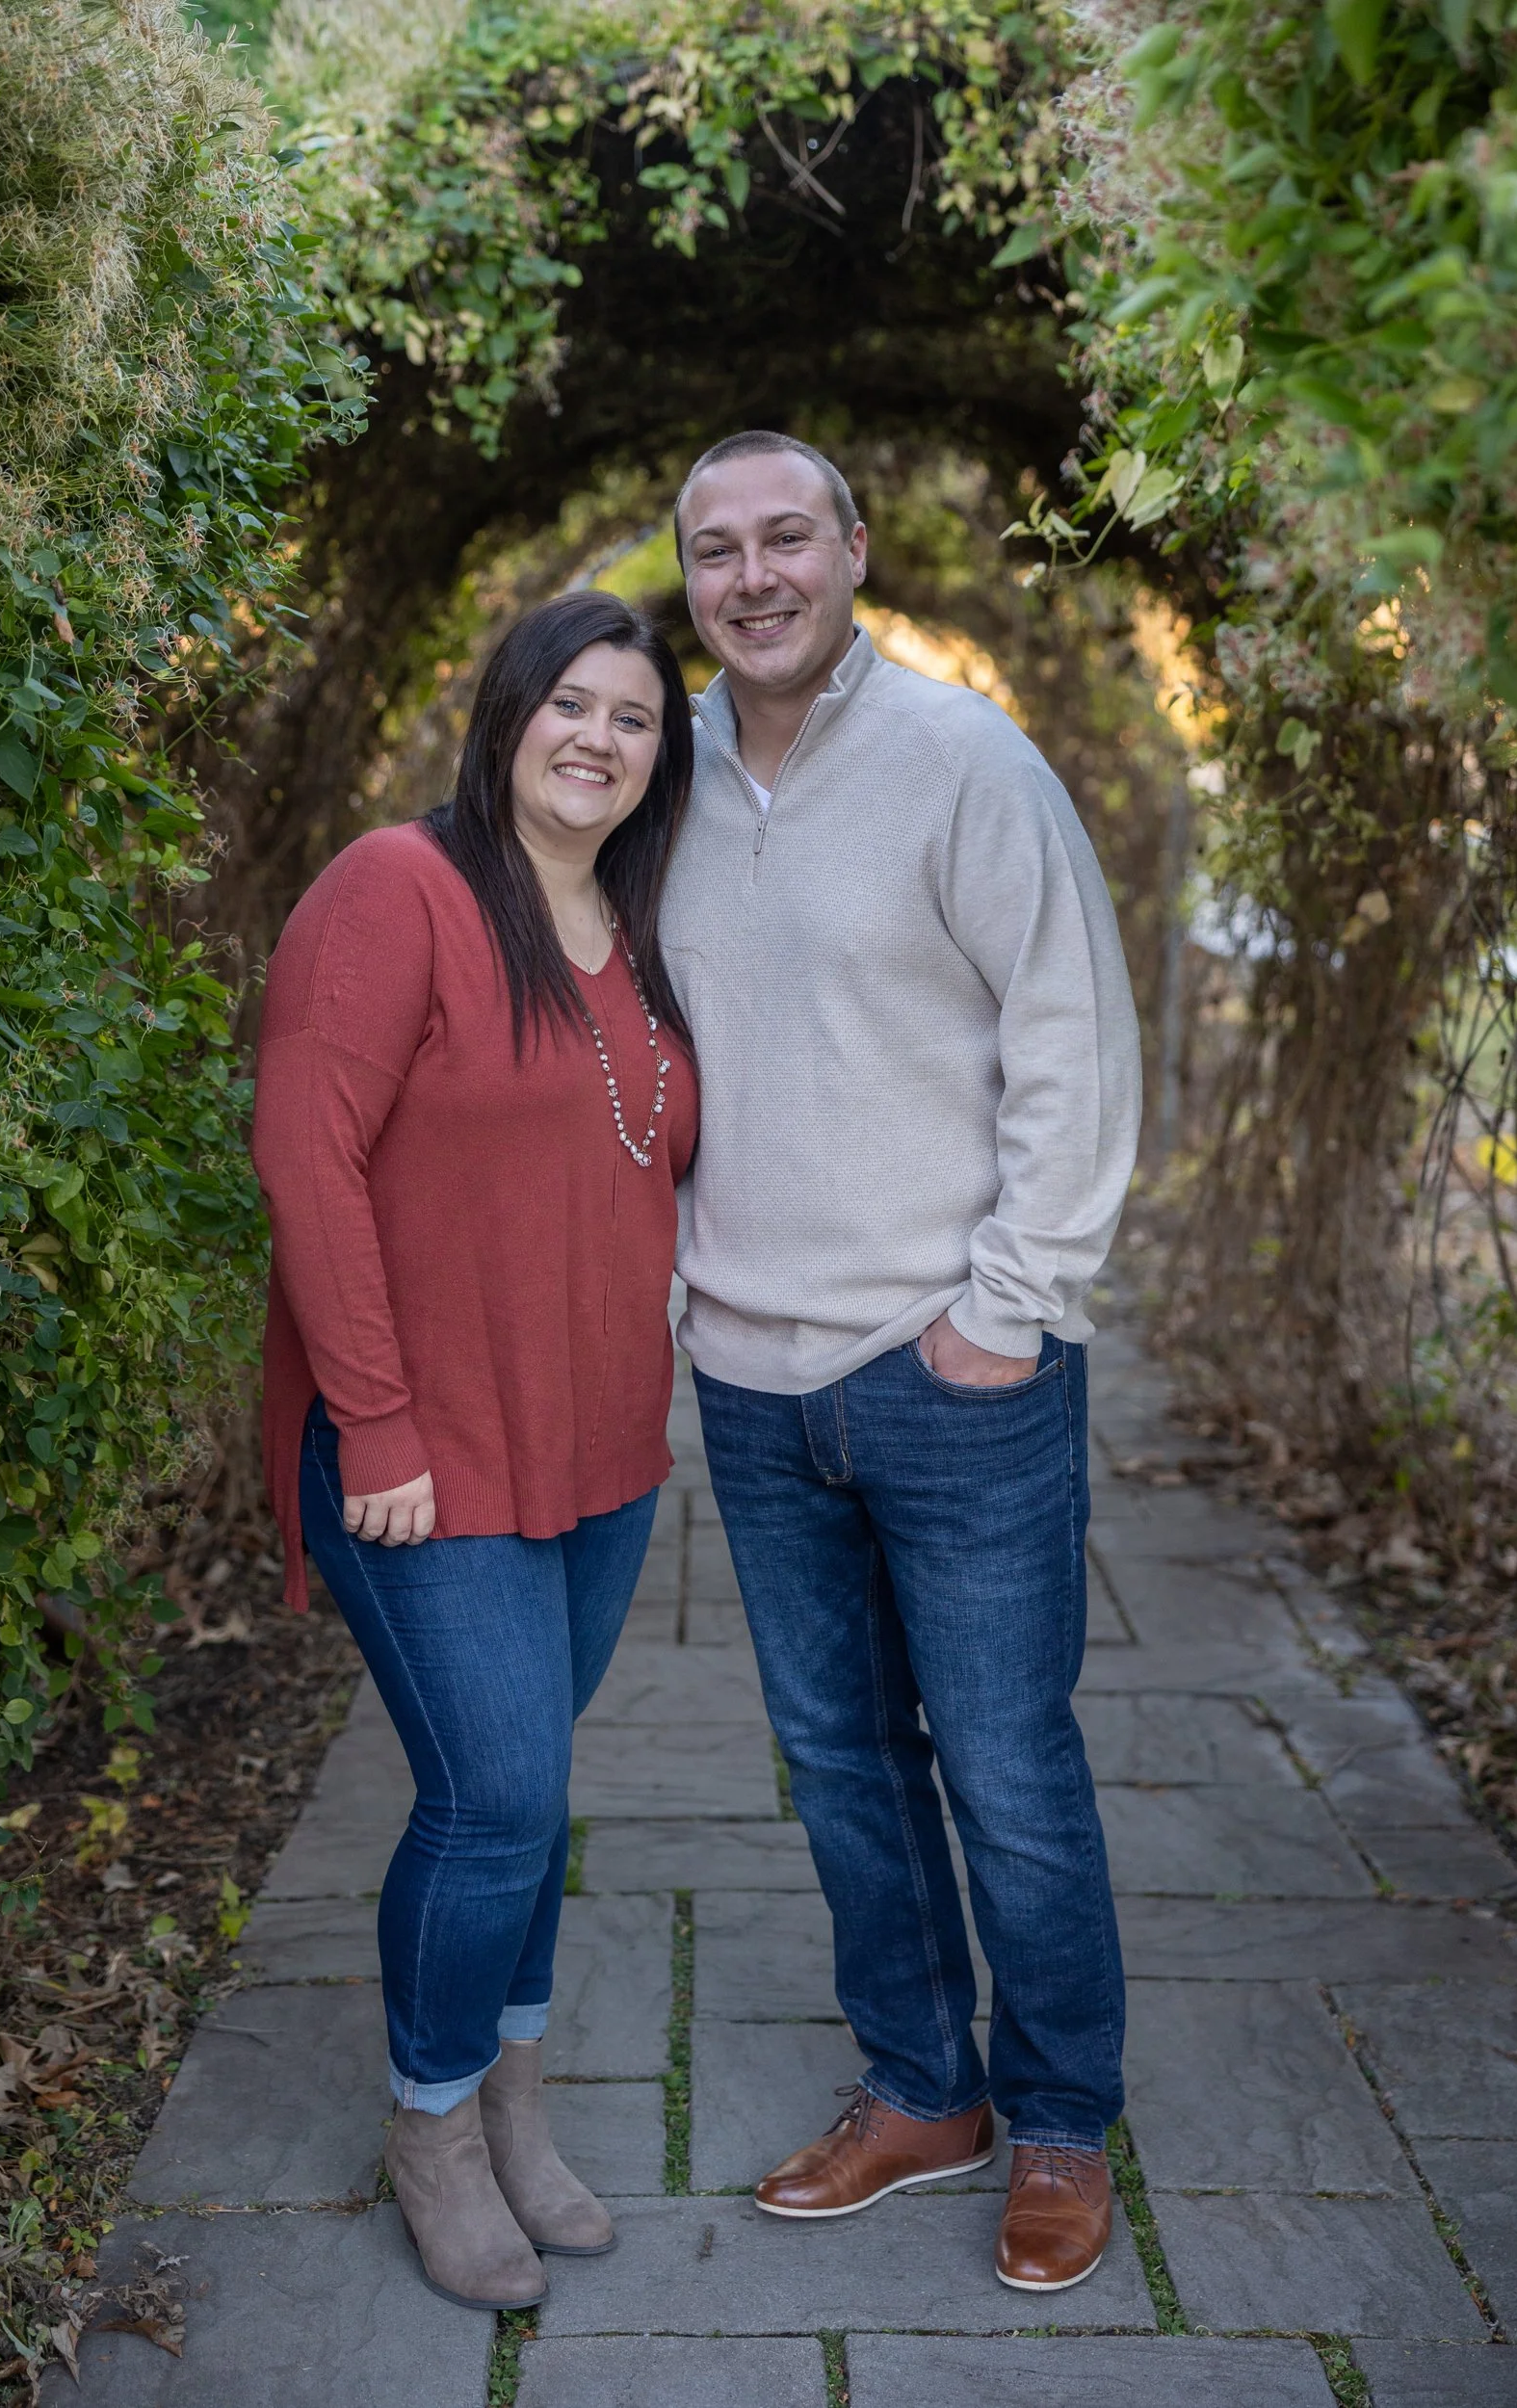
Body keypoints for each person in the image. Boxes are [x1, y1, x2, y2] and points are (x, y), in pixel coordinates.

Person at [661, 432, 1141, 2292]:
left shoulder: (964, 763)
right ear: (688, 578)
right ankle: (919, 2088)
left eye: (789, 536)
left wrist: (1003, 1307)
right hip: (752, 1376)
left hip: (956, 1371)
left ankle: (1057, 2122)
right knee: (839, 1762)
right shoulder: (661, 774)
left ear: (853, 549)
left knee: (1007, 1765)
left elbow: (1069, 1044)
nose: (754, 575)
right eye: (717, 550)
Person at [251, 590, 697, 2312]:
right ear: (505, 711)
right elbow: (306, 1156)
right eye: (567, 703)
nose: (596, 738)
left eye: (634, 717)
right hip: (418, 1453)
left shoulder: (641, 924)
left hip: (596, 1455)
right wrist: (373, 1415)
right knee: (496, 1791)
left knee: (534, 1798)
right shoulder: (398, 891)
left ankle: (514, 2097)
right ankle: (431, 2125)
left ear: (665, 755)